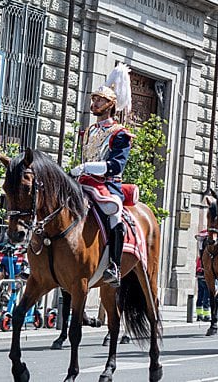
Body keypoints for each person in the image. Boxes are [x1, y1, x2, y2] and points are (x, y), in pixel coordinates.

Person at [70, 64, 133, 287]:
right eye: (94, 99)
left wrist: (87, 167)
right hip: (82, 183)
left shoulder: (120, 133)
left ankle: (114, 265)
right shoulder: (89, 131)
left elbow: (116, 166)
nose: (94, 103)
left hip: (107, 185)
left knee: (114, 214)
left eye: (99, 100)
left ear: (110, 105)